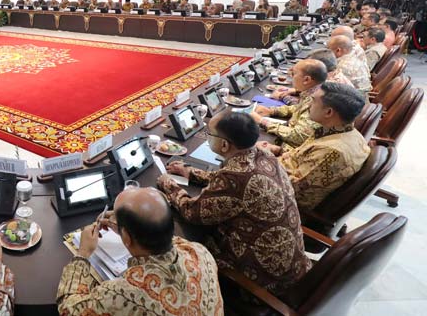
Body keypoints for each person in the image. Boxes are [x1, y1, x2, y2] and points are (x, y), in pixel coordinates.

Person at [158, 112, 310, 298]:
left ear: (224, 145)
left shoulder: (235, 177)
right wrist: (189, 172)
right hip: (291, 268)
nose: (207, 137)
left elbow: (192, 212)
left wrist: (168, 184)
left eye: (209, 134)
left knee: (174, 243)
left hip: (260, 282)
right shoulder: (265, 155)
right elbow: (228, 181)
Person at [57, 187, 223, 315]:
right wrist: (128, 226)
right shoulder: (200, 252)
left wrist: (83, 254)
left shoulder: (121, 294)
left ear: (126, 237)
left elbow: (68, 308)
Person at [272, 83, 371, 209]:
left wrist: (262, 161)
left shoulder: (331, 151)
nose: (308, 105)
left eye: (313, 101)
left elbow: (292, 189)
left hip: (283, 203)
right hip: (281, 174)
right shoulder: (344, 132)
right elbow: (302, 158)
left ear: (328, 112)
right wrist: (278, 150)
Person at [250, 59, 327, 153]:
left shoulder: (317, 100)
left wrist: (262, 121)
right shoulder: (316, 91)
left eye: (293, 73)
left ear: (307, 80)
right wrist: (273, 111)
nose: (290, 76)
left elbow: (298, 137)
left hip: (293, 152)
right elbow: (299, 108)